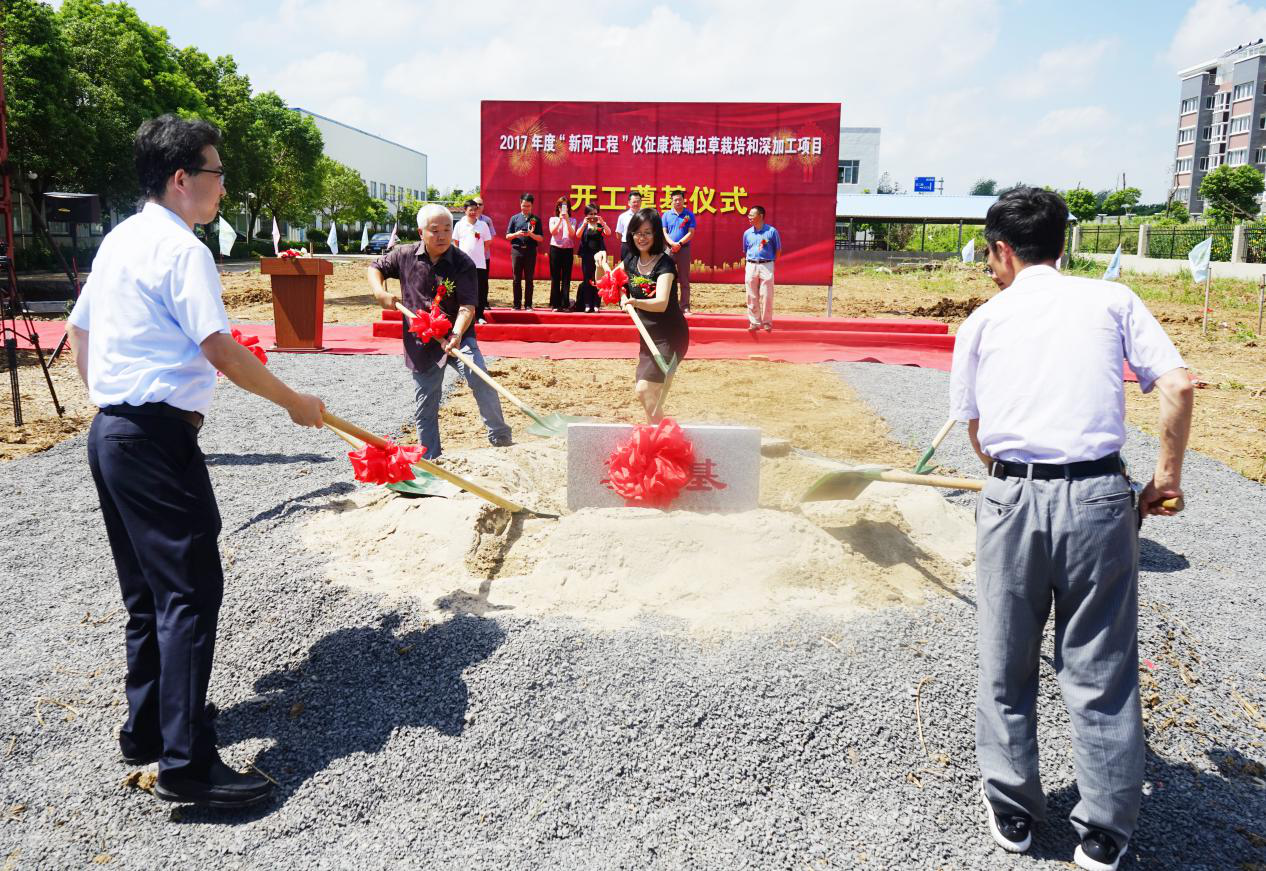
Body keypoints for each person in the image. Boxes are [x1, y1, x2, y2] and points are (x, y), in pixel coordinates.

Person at [66, 115, 326, 808]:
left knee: (148, 593)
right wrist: (292, 399)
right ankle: (186, 762)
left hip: (113, 432)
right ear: (181, 179)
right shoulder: (182, 251)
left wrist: (107, 398)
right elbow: (220, 347)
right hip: (153, 436)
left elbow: (78, 329)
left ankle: (147, 728)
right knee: (188, 590)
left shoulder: (120, 239)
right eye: (214, 172)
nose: (222, 186)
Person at [949, 187, 1192, 871]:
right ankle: (1105, 830)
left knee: (1005, 658)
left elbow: (974, 427)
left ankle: (1015, 810)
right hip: (1099, 497)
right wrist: (1166, 477)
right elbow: (1178, 385)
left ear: (1001, 250)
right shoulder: (1111, 300)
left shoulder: (985, 320)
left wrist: (1008, 480)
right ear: (1063, 243)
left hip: (1012, 496)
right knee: (1101, 666)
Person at [369, 203, 513, 459]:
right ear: (421, 232)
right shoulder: (404, 255)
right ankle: (430, 458)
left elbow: (468, 307)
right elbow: (375, 267)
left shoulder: (462, 262)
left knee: (480, 378)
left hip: (459, 335)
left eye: (447, 229)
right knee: (426, 402)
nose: (443, 235)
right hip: (422, 342)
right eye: (435, 230)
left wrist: (456, 334)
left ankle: (500, 437)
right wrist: (379, 292)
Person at [596, 208, 689, 421]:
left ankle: (663, 436)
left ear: (656, 234)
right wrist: (598, 264)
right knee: (649, 394)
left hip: (670, 337)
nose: (642, 237)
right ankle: (660, 435)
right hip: (647, 336)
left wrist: (634, 301)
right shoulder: (630, 260)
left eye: (647, 232)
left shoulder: (665, 264)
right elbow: (607, 282)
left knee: (645, 389)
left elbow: (661, 303)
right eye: (637, 232)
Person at [453, 199, 493, 324]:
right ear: (465, 211)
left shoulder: (483, 225)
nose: (473, 212)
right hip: (463, 264)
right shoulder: (459, 224)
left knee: (480, 289)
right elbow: (456, 242)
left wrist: (479, 253)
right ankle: (463, 317)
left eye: (475, 210)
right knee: (463, 289)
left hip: (480, 263)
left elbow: (488, 242)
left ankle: (480, 315)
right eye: (470, 210)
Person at [742, 206, 781, 332]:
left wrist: (771, 263)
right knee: (751, 294)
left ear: (761, 216)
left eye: (752, 215)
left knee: (767, 294)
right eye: (749, 215)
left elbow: (778, 250)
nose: (749, 217)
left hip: (767, 265)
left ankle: (767, 322)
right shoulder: (747, 233)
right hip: (751, 264)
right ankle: (754, 322)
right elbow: (745, 250)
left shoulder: (771, 231)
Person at [505, 193, 543, 309]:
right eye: (523, 205)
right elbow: (507, 236)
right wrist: (517, 234)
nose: (525, 208)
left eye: (528, 206)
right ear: (520, 204)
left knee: (529, 279)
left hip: (530, 251)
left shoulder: (536, 219)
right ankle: (516, 304)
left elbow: (541, 238)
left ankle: (528, 305)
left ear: (532, 206)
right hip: (517, 250)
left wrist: (530, 234)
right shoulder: (514, 218)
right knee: (516, 278)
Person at [661, 189, 695, 313]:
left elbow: (691, 232)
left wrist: (679, 244)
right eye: (675, 199)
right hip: (668, 250)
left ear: (683, 200)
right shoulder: (666, 215)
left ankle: (685, 306)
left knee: (684, 280)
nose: (677, 201)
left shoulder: (689, 214)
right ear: (671, 201)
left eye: (680, 199)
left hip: (683, 250)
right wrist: (672, 244)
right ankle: (668, 305)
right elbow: (664, 232)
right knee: (666, 277)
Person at [574, 205, 612, 313]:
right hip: (586, 255)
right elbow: (577, 235)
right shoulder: (584, 224)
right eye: (591, 214)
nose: (593, 216)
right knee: (587, 279)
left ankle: (596, 304)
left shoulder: (600, 224)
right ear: (586, 215)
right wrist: (585, 223)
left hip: (599, 256)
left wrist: (602, 222)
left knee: (598, 280)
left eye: (595, 213)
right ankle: (587, 304)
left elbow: (608, 233)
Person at [547, 197, 577, 311]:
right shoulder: (553, 219)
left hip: (568, 250)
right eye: (560, 206)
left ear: (568, 208)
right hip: (555, 249)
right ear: (558, 207)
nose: (562, 209)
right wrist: (560, 220)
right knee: (555, 277)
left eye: (565, 206)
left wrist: (567, 220)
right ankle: (555, 304)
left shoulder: (573, 220)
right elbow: (553, 232)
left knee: (566, 277)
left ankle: (564, 303)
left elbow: (572, 234)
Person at [615, 190, 643, 261]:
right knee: (626, 268)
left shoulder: (645, 215)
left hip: (642, 244)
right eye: (634, 202)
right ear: (629, 203)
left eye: (638, 201)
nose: (636, 204)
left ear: (641, 202)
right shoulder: (623, 216)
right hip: (627, 245)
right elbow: (618, 233)